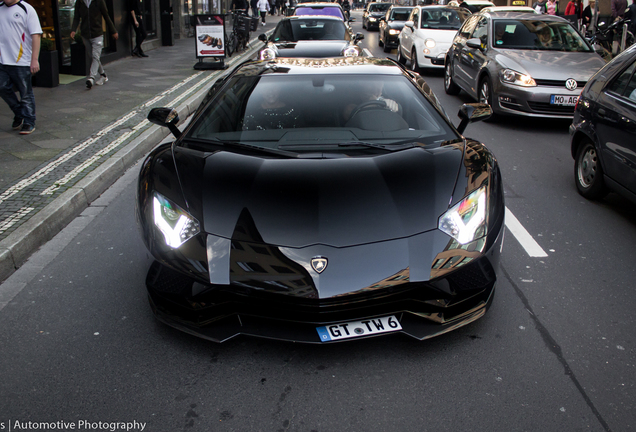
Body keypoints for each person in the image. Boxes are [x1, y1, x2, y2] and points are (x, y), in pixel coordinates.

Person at [0, 0, 42, 135]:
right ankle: (19, 113)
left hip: (21, 61)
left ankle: (29, 121)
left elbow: (35, 35)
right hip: (2, 60)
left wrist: (34, 59)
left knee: (25, 93)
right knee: (2, 88)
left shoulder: (27, 9)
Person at [70, 0, 119, 89]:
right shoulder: (80, 2)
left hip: (97, 34)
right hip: (85, 35)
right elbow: (76, 17)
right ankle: (103, 75)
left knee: (95, 56)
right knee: (92, 56)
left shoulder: (99, 1)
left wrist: (113, 31)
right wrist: (73, 30)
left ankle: (91, 78)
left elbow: (106, 16)